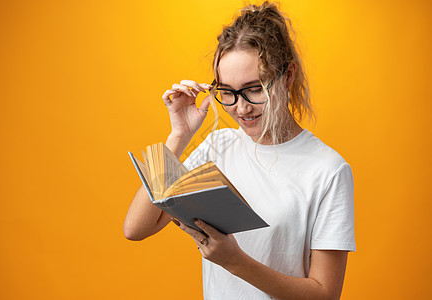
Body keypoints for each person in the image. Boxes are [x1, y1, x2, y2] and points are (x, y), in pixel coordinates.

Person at [123, 1, 355, 299]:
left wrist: (235, 261)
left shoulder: (328, 169)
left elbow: (325, 294)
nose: (241, 107)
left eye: (255, 89)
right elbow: (136, 228)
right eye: (228, 92)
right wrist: (178, 135)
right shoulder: (218, 147)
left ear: (288, 75)